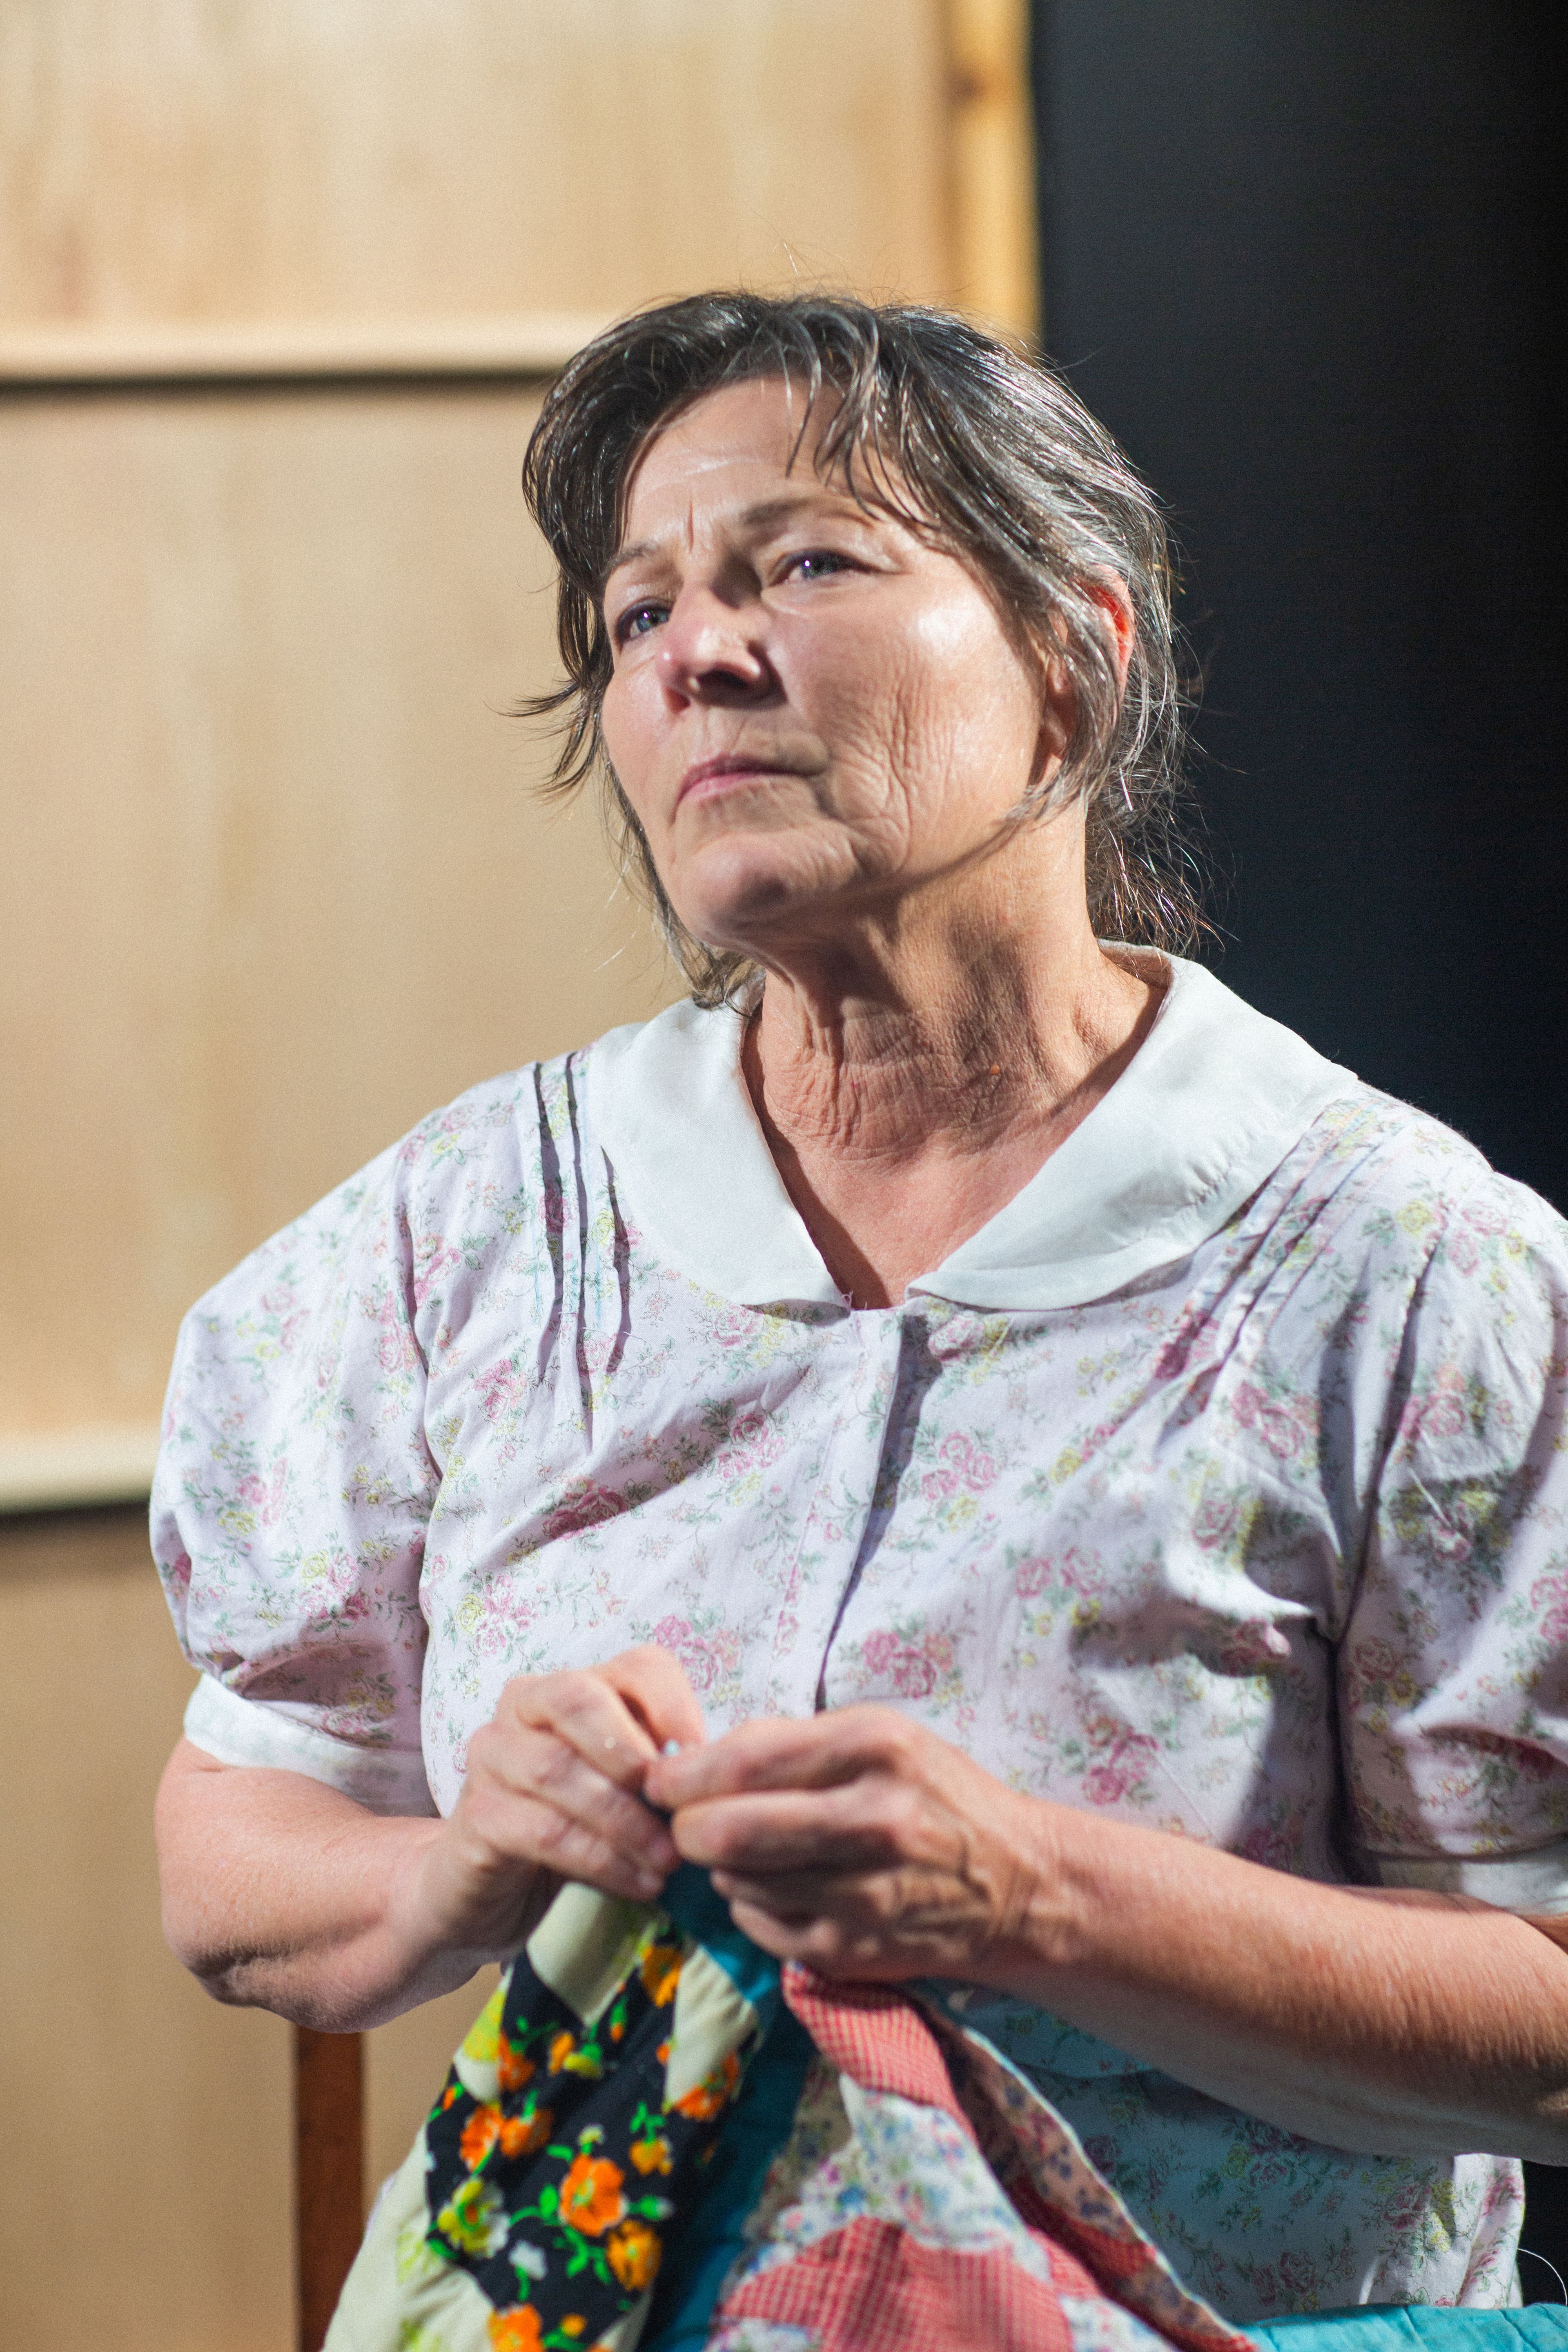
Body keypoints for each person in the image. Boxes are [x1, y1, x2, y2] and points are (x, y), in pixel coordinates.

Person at [152, 292, 1568, 2327]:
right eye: (638, 617)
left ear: (1077, 662)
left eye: (805, 563)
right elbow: (239, 1831)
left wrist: (1033, 1893)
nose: (697, 655)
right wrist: (456, 1872)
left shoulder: (1407, 1277)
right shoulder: (464, 1239)